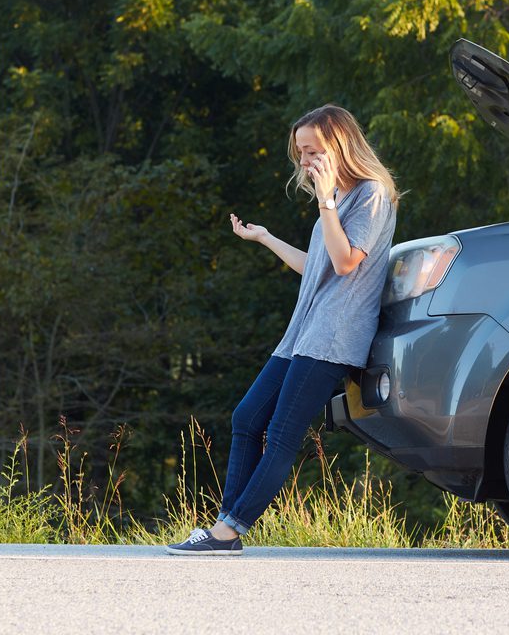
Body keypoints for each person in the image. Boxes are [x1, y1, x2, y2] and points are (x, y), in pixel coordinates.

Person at [167, 104, 399, 555]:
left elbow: (346, 261)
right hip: (302, 334)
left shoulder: (371, 194)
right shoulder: (336, 199)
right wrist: (267, 238)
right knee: (246, 418)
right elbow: (316, 267)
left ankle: (228, 532)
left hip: (333, 337)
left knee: (281, 434)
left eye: (313, 151)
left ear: (339, 145)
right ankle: (225, 526)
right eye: (300, 153)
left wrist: (327, 200)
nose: (305, 161)